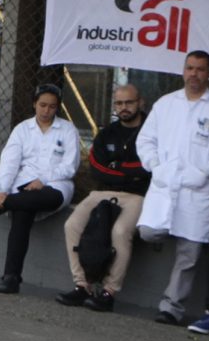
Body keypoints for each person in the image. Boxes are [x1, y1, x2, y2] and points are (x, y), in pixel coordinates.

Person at [137, 50, 209, 323]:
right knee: (148, 232)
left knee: (190, 254)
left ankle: (171, 307)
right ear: (183, 71)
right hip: (164, 184)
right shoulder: (165, 104)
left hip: (199, 190)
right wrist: (155, 165)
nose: (194, 74)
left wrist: (205, 172)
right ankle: (167, 235)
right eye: (190, 68)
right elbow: (145, 139)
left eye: (200, 69)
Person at [0, 84, 82, 292]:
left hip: (56, 184)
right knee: (22, 211)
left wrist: (43, 179)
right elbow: (10, 162)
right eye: (42, 105)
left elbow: (69, 166)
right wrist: (2, 190)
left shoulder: (68, 130)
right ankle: (11, 277)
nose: (46, 111)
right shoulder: (22, 129)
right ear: (34, 104)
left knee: (41, 198)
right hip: (24, 184)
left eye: (52, 107)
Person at [59, 83, 149, 308]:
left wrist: (117, 168)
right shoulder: (107, 133)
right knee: (71, 225)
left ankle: (109, 292)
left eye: (129, 102)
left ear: (140, 103)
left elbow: (148, 168)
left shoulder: (151, 131)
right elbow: (97, 168)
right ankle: (82, 286)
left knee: (120, 232)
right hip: (102, 191)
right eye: (119, 103)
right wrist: (128, 172)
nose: (124, 107)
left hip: (137, 196)